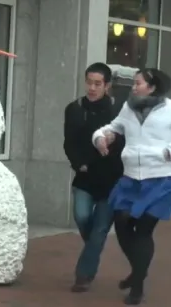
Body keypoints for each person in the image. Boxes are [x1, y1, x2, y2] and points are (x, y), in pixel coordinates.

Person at [92, 68, 171, 305]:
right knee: (122, 223)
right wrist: (100, 137)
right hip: (130, 178)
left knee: (144, 230)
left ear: (152, 87)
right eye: (134, 83)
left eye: (138, 83)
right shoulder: (128, 107)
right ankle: (139, 270)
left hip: (161, 177)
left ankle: (137, 286)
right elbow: (112, 127)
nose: (134, 87)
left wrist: (168, 151)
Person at [63, 62, 124, 292]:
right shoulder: (75, 109)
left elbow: (126, 141)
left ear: (107, 86)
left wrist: (112, 143)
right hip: (85, 176)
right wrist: (79, 164)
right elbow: (69, 142)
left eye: (97, 84)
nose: (92, 87)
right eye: (89, 82)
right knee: (81, 217)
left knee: (99, 229)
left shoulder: (119, 111)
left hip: (112, 179)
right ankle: (94, 248)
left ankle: (83, 275)